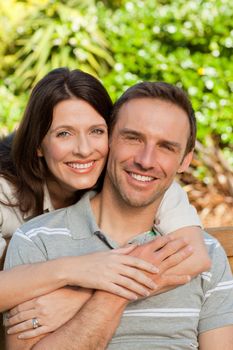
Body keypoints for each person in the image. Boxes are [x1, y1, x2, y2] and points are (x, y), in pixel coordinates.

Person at [5, 81, 232, 350]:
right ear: (111, 141)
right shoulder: (34, 238)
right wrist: (84, 278)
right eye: (133, 138)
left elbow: (197, 255)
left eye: (166, 147)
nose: (146, 160)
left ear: (184, 160)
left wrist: (95, 294)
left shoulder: (201, 250)